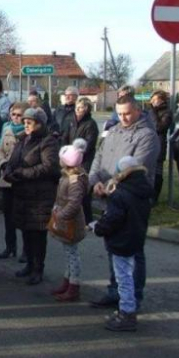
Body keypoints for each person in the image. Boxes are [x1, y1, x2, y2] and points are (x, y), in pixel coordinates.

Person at [89, 96, 159, 310]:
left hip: (132, 199)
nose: (123, 117)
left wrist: (109, 185)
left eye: (127, 113)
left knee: (132, 249)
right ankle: (115, 291)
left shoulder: (147, 135)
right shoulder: (114, 131)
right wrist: (95, 182)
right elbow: (98, 158)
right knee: (113, 245)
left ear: (138, 110)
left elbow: (135, 166)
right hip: (110, 197)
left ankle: (133, 297)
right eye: (119, 113)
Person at [92, 156, 153, 332]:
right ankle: (127, 309)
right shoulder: (143, 191)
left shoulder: (120, 194)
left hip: (121, 239)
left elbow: (113, 218)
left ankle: (127, 312)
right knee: (129, 273)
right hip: (136, 236)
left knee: (123, 277)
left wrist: (98, 228)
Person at [3, 107, 59, 285]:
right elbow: (13, 161)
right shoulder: (22, 140)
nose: (25, 125)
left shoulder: (47, 141)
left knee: (37, 233)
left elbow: (49, 167)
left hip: (39, 195)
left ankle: (38, 268)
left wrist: (23, 173)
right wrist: (9, 171)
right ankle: (28, 264)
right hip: (22, 194)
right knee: (26, 231)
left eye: (29, 123)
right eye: (25, 122)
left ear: (39, 124)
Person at [49, 139, 89, 302]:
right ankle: (67, 281)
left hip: (70, 221)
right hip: (65, 218)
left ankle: (74, 285)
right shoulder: (69, 176)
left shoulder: (74, 180)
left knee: (72, 254)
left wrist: (61, 215)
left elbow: (74, 202)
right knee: (68, 253)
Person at [0, 103, 26, 259]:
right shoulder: (7, 130)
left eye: (19, 115)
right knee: (8, 215)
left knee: (22, 216)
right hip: (6, 178)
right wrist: (2, 163)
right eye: (13, 114)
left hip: (21, 179)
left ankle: (26, 251)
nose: (16, 117)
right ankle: (10, 246)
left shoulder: (28, 133)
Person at [63, 97, 99, 222]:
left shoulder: (91, 124)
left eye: (81, 107)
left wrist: (77, 153)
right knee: (71, 188)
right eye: (77, 107)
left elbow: (89, 143)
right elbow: (65, 137)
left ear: (87, 109)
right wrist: (66, 153)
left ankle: (87, 219)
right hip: (70, 160)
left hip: (85, 161)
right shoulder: (71, 120)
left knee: (83, 190)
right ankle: (73, 215)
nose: (78, 110)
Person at [148, 90, 173, 203]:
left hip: (159, 144)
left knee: (157, 172)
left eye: (155, 99)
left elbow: (159, 127)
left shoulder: (166, 112)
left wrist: (153, 112)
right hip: (147, 144)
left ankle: (154, 197)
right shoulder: (150, 111)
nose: (152, 102)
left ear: (162, 100)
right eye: (151, 99)